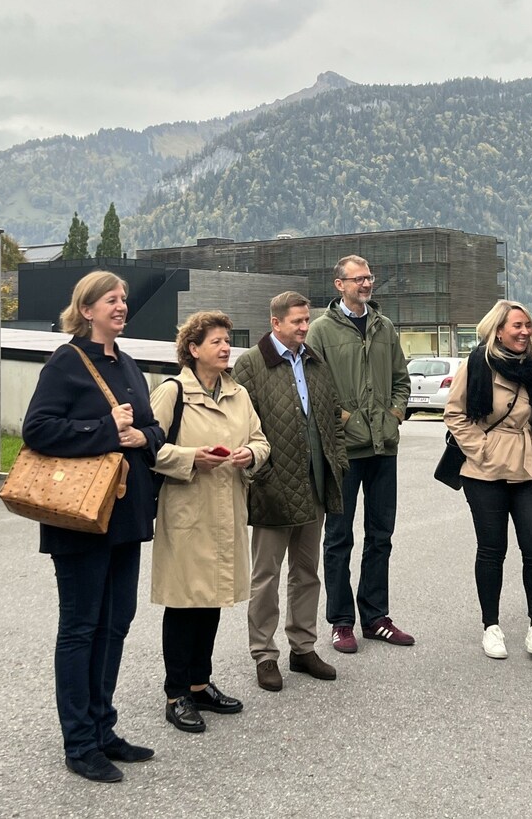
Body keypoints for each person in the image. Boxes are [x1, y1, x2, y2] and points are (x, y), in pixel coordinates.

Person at [22, 271, 165, 783]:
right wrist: (108, 431)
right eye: (112, 299)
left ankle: (104, 728)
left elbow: (153, 428)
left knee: (116, 622)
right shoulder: (66, 361)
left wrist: (137, 436)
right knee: (81, 627)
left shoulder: (126, 363)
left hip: (124, 515)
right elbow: (37, 429)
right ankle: (79, 742)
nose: (121, 306)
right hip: (80, 517)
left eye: (124, 299)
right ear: (87, 309)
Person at [149, 312, 269, 732]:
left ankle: (200, 684)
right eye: (215, 341)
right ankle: (175, 693)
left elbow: (260, 440)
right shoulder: (171, 392)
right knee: (185, 603)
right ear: (193, 349)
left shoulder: (239, 394)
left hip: (228, 509)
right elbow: (149, 449)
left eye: (227, 341)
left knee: (212, 600)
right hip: (188, 511)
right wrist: (190, 458)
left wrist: (250, 455)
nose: (225, 348)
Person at [233, 291, 348, 692]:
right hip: (272, 487)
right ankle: (264, 654)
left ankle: (303, 647)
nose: (304, 327)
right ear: (275, 322)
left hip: (315, 484)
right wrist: (255, 475)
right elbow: (239, 426)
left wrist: (338, 461)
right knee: (265, 577)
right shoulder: (251, 364)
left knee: (306, 573)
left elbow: (333, 415)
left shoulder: (314, 361)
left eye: (306, 320)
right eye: (298, 321)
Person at [305, 255, 413, 654]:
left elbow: (402, 379)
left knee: (381, 536)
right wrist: (346, 419)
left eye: (370, 277)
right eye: (358, 278)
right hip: (344, 451)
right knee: (338, 538)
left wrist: (395, 412)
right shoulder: (320, 331)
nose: (366, 284)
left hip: (383, 446)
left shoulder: (385, 328)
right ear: (339, 284)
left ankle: (376, 617)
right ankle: (341, 621)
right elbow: (315, 389)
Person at [443, 300, 532, 660]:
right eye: (517, 326)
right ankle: (491, 627)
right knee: (492, 549)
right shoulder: (476, 363)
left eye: (528, 325)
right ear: (499, 330)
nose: (525, 331)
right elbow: (455, 412)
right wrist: (482, 450)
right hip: (485, 470)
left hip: (530, 465)